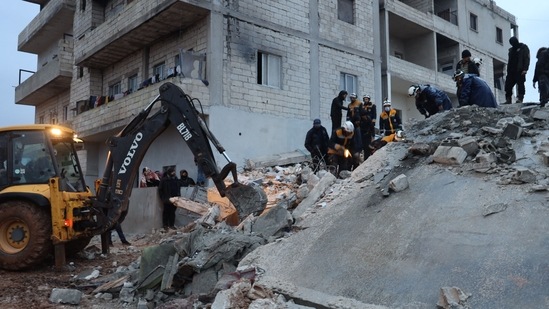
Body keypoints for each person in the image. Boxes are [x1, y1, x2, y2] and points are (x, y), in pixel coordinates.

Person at [505, 36, 530, 104]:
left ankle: (520, 98)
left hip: (520, 70)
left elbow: (526, 58)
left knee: (520, 85)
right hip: (511, 71)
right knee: (508, 85)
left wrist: (525, 69)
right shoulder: (511, 50)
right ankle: (508, 99)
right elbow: (509, 61)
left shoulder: (523, 48)